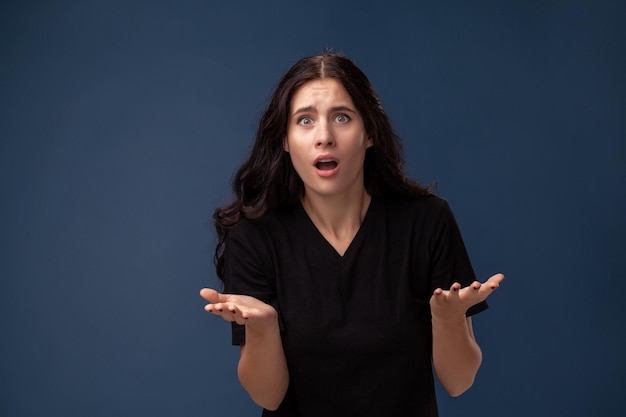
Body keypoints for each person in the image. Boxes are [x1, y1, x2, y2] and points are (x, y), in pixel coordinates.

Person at [200, 52, 504, 416]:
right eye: (305, 120)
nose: (324, 136)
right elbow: (269, 396)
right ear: (284, 139)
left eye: (342, 117)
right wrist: (263, 329)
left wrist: (447, 319)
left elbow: (459, 381)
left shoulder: (427, 221)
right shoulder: (255, 235)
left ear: (370, 133)